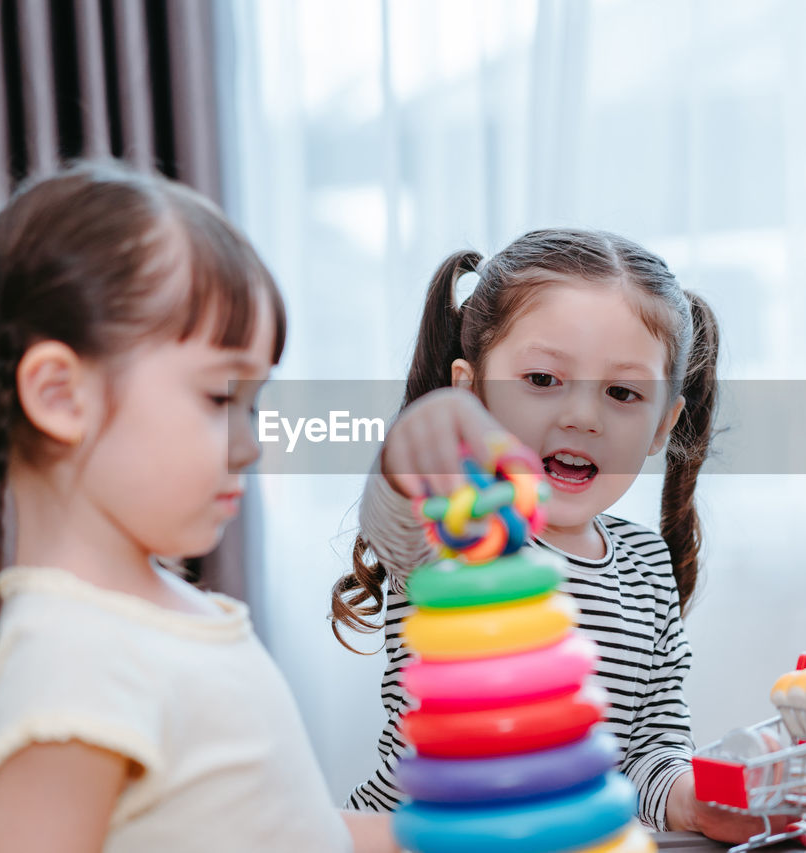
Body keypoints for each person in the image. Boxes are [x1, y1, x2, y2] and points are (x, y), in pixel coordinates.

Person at [0, 161, 395, 853]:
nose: (249, 444)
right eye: (221, 399)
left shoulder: (170, 618)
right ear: (61, 396)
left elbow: (292, 833)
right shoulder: (74, 653)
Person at [331, 228, 782, 844]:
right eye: (542, 380)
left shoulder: (648, 568)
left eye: (623, 393)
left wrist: (698, 800)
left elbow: (649, 749)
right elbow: (393, 513)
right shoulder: (457, 529)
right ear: (471, 390)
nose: (582, 416)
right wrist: (426, 434)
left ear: (662, 426)